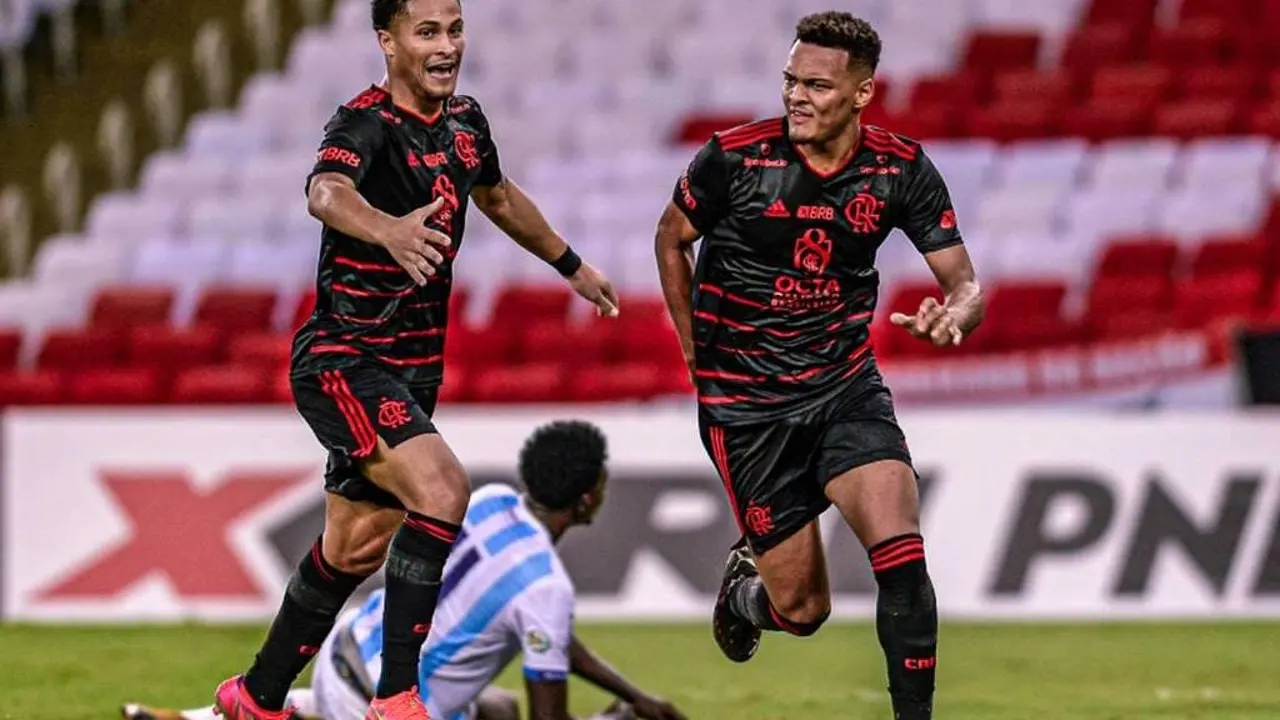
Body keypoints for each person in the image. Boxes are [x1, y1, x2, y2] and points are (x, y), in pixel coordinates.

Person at [213, 0, 620, 718]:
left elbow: (495, 194)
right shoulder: (362, 123)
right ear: (389, 41)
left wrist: (572, 264)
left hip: (411, 367)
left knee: (355, 546)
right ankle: (397, 698)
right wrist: (387, 230)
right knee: (442, 493)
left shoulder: (467, 124)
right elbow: (325, 192)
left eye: (454, 30)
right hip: (344, 357)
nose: (445, 46)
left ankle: (255, 696)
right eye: (427, 31)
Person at [653, 11, 985, 720]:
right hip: (747, 408)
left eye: (817, 85)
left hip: (844, 387)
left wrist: (954, 312)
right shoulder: (735, 159)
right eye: (790, 81)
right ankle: (747, 594)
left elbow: (965, 283)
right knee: (803, 610)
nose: (797, 97)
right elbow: (672, 235)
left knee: (902, 556)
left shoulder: (899, 169)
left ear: (863, 93)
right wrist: (690, 346)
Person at [126, 422, 684, 720]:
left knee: (497, 707)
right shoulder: (546, 587)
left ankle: (195, 718)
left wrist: (632, 691)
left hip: (343, 654)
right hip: (390, 708)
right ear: (587, 499)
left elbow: (552, 635)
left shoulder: (488, 502)